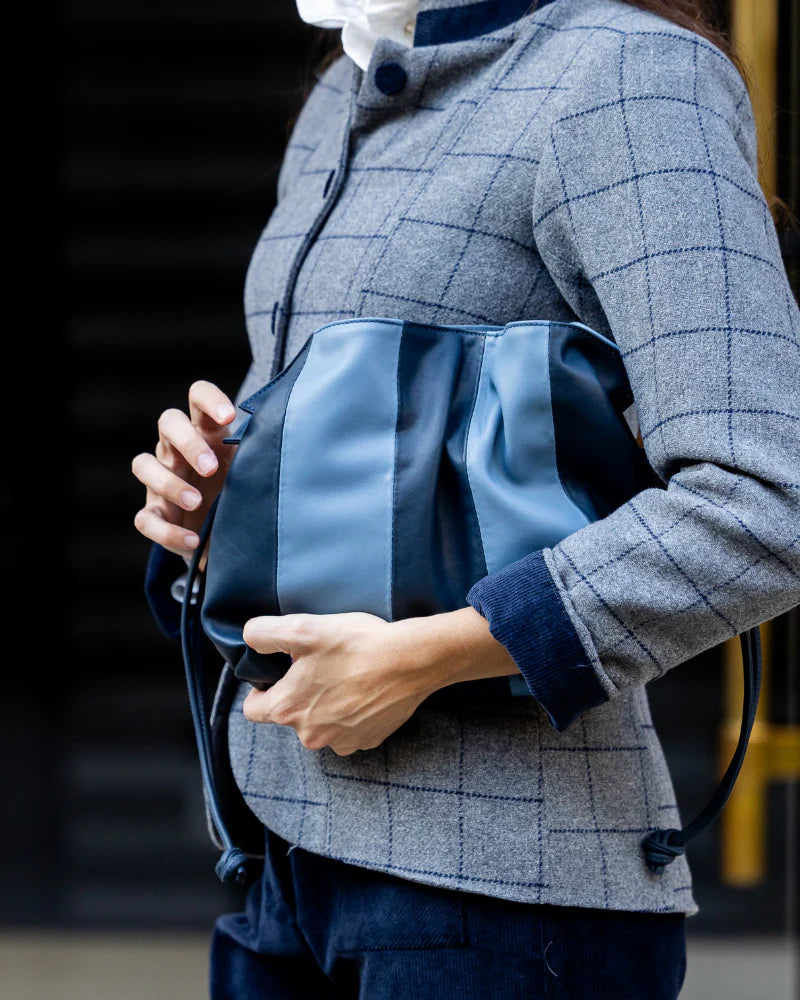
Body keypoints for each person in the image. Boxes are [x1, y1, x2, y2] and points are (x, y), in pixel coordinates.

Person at [132, 1, 800, 997]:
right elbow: (385, 440)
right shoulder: (340, 87)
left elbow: (764, 501)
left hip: (500, 892)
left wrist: (424, 659)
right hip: (277, 861)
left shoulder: (624, 72)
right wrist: (229, 498)